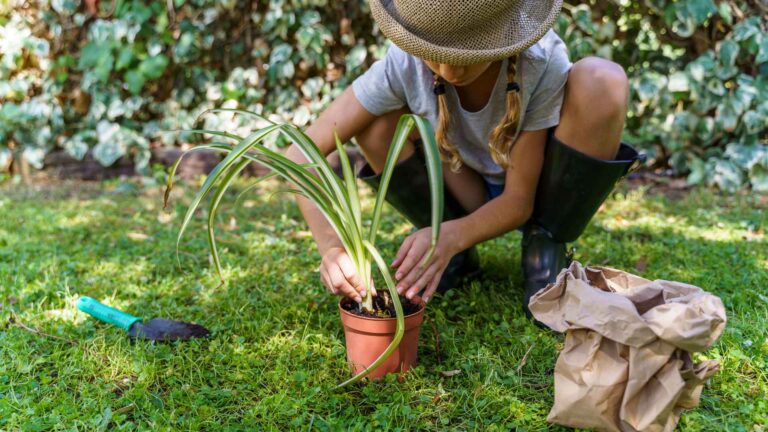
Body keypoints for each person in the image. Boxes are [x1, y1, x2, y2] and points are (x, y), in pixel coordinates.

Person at [285, 0, 641, 316]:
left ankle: (544, 241)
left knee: (603, 80)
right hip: (462, 188)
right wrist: (331, 247)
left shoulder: (538, 61)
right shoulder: (403, 65)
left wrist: (455, 235)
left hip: (537, 192)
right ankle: (451, 250)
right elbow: (299, 153)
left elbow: (518, 201)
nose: (450, 71)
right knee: (375, 124)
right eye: (434, 52)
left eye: (468, 53)